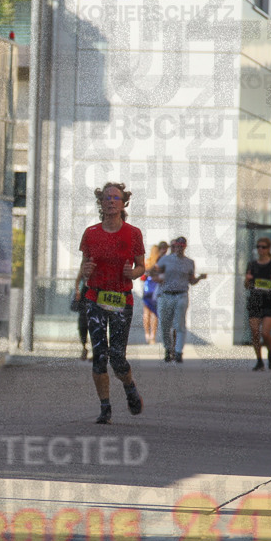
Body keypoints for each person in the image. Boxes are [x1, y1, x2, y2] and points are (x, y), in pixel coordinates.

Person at [77, 181, 146, 424]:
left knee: (117, 356)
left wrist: (133, 273)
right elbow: (85, 266)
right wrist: (85, 270)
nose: (110, 201)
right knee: (100, 355)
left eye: (115, 197)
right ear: (100, 202)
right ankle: (105, 407)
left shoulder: (133, 233)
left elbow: (141, 267)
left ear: (124, 202)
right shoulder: (91, 233)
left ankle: (129, 387)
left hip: (121, 299)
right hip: (95, 297)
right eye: (106, 197)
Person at [155, 237, 207, 363]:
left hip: (181, 294)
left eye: (181, 246)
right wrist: (157, 277)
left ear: (184, 247)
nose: (178, 249)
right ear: (173, 247)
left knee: (179, 324)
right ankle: (168, 348)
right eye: (176, 246)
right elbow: (153, 272)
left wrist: (199, 278)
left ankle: (178, 351)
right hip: (166, 294)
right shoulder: (165, 259)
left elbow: (191, 280)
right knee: (164, 324)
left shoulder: (189, 262)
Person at [244, 237, 271, 371]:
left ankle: (270, 353)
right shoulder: (252, 265)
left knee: (265, 333)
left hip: (268, 302)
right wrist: (247, 280)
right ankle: (259, 360)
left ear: (268, 249)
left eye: (263, 247)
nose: (260, 249)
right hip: (254, 301)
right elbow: (247, 285)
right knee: (255, 332)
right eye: (258, 247)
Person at [141, 243, 165, 345]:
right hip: (156, 288)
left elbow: (142, 277)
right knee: (155, 313)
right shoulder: (160, 262)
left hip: (148, 288)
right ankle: (152, 336)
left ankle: (147, 334)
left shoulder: (147, 262)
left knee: (147, 312)